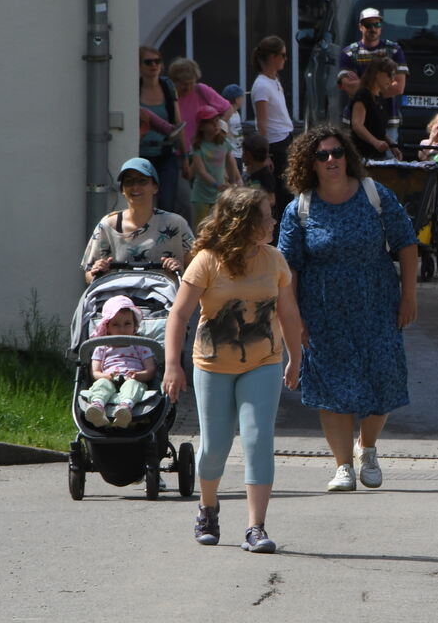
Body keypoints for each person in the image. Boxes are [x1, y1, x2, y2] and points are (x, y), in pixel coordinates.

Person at [277, 125, 419, 492]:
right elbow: (287, 266)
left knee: (384, 376)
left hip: (377, 303)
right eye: (321, 155)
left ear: (348, 156)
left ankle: (366, 447)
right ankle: (343, 466)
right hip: (322, 309)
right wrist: (293, 317)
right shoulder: (300, 208)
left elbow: (406, 243)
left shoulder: (375, 194)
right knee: (331, 386)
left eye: (337, 152)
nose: (330, 160)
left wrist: (409, 296)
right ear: (309, 164)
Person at [163, 186, 303, 553]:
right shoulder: (207, 260)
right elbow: (179, 314)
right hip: (212, 365)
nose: (274, 220)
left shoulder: (275, 260)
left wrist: (296, 357)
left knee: (258, 439)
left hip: (264, 362)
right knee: (215, 446)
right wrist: (172, 365)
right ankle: (207, 508)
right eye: (267, 215)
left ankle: (256, 527)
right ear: (245, 222)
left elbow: (288, 313)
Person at [81, 157, 194, 284]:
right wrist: (98, 271)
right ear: (122, 190)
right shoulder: (107, 226)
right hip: (118, 300)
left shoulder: (176, 224)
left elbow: (197, 270)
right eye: (129, 182)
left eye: (142, 181)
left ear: (155, 187)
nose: (135, 187)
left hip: (166, 301)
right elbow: (88, 276)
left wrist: (179, 268)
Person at [83, 296, 157, 429]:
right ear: (108, 327)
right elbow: (95, 372)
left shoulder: (141, 345)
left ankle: (125, 409)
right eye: (116, 325)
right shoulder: (101, 346)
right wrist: (106, 376)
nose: (122, 329)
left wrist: (139, 375)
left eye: (127, 324)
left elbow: (151, 370)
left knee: (133, 386)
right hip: (109, 378)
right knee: (101, 384)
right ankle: (97, 407)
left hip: (132, 378)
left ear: (135, 325)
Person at [339, 8, 408, 144]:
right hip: (356, 120)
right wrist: (379, 85)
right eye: (368, 25)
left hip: (387, 120)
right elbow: (347, 86)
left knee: (387, 163)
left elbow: (399, 87)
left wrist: (362, 85)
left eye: (377, 24)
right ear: (360, 27)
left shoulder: (393, 50)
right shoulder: (349, 53)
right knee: (356, 162)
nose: (373, 29)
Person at [250, 37, 294, 229]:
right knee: (281, 194)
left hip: (285, 139)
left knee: (289, 189)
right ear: (272, 56)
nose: (286, 59)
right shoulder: (261, 85)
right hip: (276, 144)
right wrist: (266, 154)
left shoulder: (274, 80)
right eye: (283, 55)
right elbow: (262, 123)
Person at [138, 46, 186, 217]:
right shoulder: (134, 88)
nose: (154, 65)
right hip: (142, 154)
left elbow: (178, 123)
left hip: (165, 153)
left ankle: (164, 240)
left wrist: (185, 157)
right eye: (148, 62)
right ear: (139, 66)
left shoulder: (167, 86)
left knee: (167, 203)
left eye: (157, 61)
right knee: (142, 203)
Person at [190, 106, 241, 228]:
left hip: (220, 194)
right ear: (202, 127)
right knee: (201, 228)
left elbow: (230, 164)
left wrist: (233, 182)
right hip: (201, 196)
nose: (216, 125)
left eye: (217, 121)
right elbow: (202, 172)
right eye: (211, 122)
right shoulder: (198, 146)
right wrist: (217, 185)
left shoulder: (224, 143)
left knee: (220, 227)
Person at [348, 56, 402, 161]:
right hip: (362, 156)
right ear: (377, 73)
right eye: (389, 75)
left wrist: (392, 146)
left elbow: (378, 129)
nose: (392, 81)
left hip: (377, 157)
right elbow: (357, 125)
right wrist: (375, 142)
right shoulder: (363, 95)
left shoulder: (381, 98)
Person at [241, 133, 277, 208]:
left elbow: (272, 200)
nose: (242, 155)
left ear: (248, 155)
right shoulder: (250, 173)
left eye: (243, 152)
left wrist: (253, 203)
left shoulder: (266, 176)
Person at [221, 83, 246, 172]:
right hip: (232, 154)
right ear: (236, 99)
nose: (243, 99)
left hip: (239, 153)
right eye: (242, 97)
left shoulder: (237, 113)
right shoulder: (228, 114)